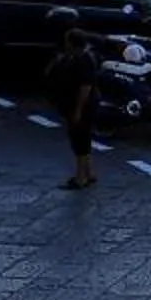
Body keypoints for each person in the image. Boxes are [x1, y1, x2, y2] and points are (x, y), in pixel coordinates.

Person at [47, 13, 100, 189]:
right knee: (83, 139)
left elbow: (85, 87)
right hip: (77, 105)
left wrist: (78, 110)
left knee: (79, 141)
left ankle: (80, 177)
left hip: (82, 106)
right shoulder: (76, 57)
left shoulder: (84, 60)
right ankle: (89, 173)